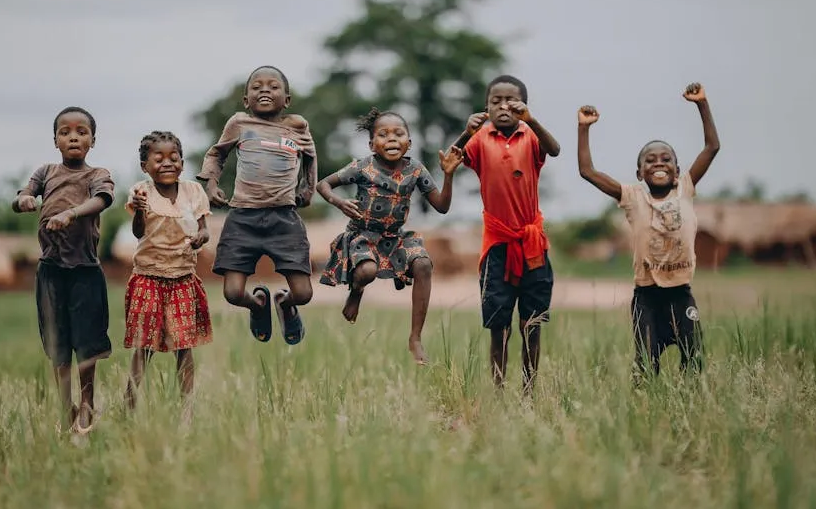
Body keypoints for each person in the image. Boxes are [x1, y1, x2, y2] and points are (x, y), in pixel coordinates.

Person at [576, 82, 720, 383]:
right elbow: (588, 172)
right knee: (645, 363)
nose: (658, 163)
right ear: (639, 172)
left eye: (666, 159)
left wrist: (702, 104)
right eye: (650, 160)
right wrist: (584, 129)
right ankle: (645, 408)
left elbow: (712, 147)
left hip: (681, 294)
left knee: (693, 358)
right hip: (646, 298)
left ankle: (690, 409)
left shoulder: (686, 188)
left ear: (677, 170)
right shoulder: (631, 196)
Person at [318, 107, 465, 364]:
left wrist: (449, 175)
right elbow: (324, 184)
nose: (392, 139)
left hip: (395, 238)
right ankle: (356, 292)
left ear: (409, 142)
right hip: (362, 235)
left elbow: (441, 206)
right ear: (372, 144)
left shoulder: (416, 170)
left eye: (399, 134)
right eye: (383, 135)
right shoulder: (363, 167)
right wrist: (338, 202)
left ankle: (415, 338)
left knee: (422, 265)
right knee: (366, 272)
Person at [450, 75, 561, 395]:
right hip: (497, 246)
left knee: (532, 323)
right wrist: (466, 131)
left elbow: (554, 149)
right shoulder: (481, 138)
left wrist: (532, 120)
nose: (503, 106)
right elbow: (453, 158)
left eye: (511, 101)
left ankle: (529, 390)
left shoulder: (531, 136)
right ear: (486, 106)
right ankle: (498, 390)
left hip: (532, 245)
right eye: (495, 101)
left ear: (523, 105)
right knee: (498, 326)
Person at [13, 106, 114, 434]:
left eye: (81, 132)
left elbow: (101, 200)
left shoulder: (97, 174)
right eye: (65, 132)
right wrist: (26, 200)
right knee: (58, 343)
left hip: (85, 270)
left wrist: (70, 214)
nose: (73, 137)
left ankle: (86, 408)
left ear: (93, 141)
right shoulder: (45, 172)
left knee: (86, 342)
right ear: (55, 140)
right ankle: (64, 407)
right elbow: (22, 195)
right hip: (51, 272)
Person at [197, 66, 316, 345]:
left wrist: (308, 186)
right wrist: (211, 183)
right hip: (242, 218)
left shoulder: (296, 125)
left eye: (273, 87)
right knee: (233, 293)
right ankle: (258, 304)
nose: (264, 90)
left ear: (286, 99)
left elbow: (310, 155)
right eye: (257, 87)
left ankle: (285, 306)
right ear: (245, 100)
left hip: (284, 218)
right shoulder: (239, 124)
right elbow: (216, 154)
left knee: (303, 293)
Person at [123, 131, 213, 413]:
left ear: (183, 164)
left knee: (183, 346)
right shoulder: (141, 192)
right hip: (148, 277)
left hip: (182, 278)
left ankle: (187, 409)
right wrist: (139, 211)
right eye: (158, 158)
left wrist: (201, 237)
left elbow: (204, 230)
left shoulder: (193, 192)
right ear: (145, 167)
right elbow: (139, 232)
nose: (167, 163)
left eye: (174, 158)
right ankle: (130, 405)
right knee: (144, 346)